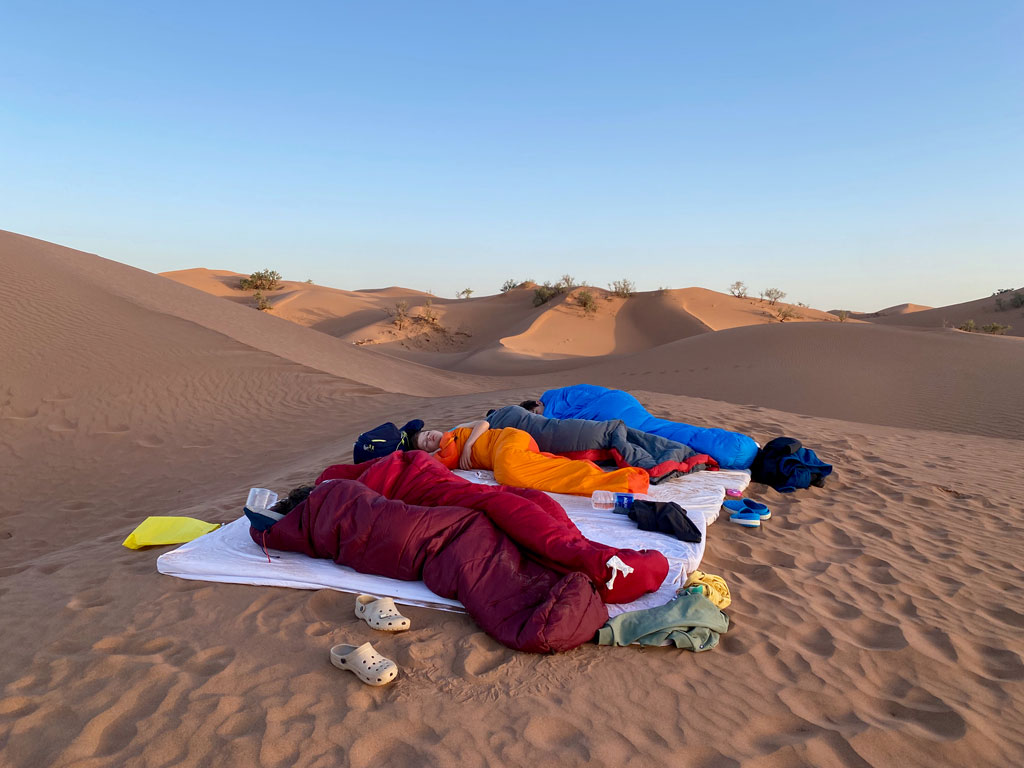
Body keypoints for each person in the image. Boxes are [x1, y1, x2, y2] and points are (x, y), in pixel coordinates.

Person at [362, 418, 649, 497]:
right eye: (424, 442)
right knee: (527, 472)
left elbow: (484, 424)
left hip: (507, 439)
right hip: (510, 451)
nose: (430, 437)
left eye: (427, 433)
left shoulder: (455, 434)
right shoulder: (438, 457)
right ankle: (612, 479)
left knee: (508, 472)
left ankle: (617, 480)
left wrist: (468, 445)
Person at [517, 385, 759, 470]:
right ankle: (736, 446)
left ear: (538, 403)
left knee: (657, 434)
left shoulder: (552, 397)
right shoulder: (562, 394)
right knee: (661, 430)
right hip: (620, 402)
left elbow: (561, 424)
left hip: (610, 411)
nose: (540, 416)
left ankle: (733, 449)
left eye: (537, 412)